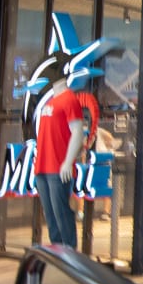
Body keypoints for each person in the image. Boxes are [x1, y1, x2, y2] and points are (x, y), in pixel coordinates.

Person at [33, 79, 97, 249]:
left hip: (58, 167)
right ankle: (57, 251)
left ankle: (69, 251)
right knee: (50, 214)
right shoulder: (50, 101)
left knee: (61, 211)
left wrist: (68, 162)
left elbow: (77, 132)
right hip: (42, 165)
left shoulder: (70, 100)